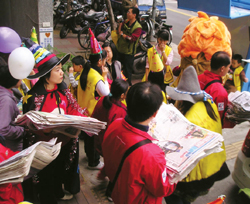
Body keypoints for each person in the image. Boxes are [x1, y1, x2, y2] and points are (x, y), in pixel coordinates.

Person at [22, 38, 87, 204]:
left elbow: (74, 108)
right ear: (45, 75)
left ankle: (58, 192)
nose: (62, 73)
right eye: (57, 70)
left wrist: (79, 121)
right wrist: (43, 130)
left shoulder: (63, 90)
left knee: (59, 173)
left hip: (63, 145)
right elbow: (28, 127)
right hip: (44, 150)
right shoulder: (33, 98)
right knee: (46, 179)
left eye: (61, 69)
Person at [101, 82, 176, 204]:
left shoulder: (115, 124)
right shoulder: (152, 155)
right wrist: (176, 178)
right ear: (155, 113)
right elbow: (162, 189)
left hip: (118, 192)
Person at [165, 66, 230, 204]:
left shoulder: (191, 120)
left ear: (184, 100)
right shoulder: (208, 103)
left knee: (173, 196)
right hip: (214, 167)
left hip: (199, 175)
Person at [77, 28, 109, 170]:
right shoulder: (97, 77)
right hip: (93, 114)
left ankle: (89, 157)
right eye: (104, 59)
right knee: (94, 139)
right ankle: (93, 162)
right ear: (99, 62)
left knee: (88, 139)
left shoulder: (86, 71)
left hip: (84, 112)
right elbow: (106, 93)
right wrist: (105, 76)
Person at [92, 79, 129, 155]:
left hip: (96, 137)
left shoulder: (102, 99)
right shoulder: (120, 110)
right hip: (107, 144)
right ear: (122, 95)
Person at [198, 51, 234, 128]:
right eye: (228, 67)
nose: (229, 69)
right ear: (222, 68)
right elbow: (218, 118)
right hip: (207, 129)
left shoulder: (198, 78)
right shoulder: (220, 92)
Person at [0, 57, 25, 152]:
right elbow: (3, 129)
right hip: (9, 148)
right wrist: (22, 130)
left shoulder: (5, 93)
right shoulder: (6, 100)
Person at [117, 7, 142, 85]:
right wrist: (120, 24)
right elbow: (119, 31)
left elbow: (131, 39)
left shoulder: (138, 27)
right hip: (120, 49)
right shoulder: (126, 21)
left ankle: (127, 86)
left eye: (129, 12)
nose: (127, 13)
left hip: (129, 52)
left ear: (134, 15)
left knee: (128, 71)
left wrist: (122, 34)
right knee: (117, 68)